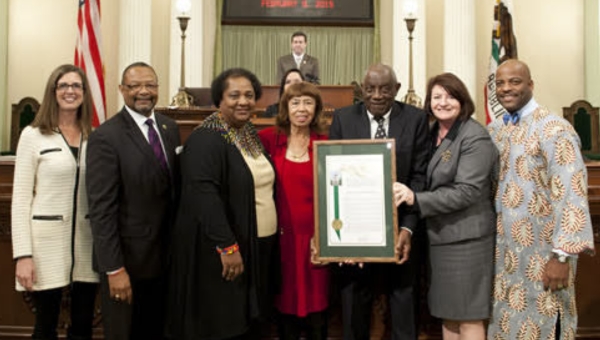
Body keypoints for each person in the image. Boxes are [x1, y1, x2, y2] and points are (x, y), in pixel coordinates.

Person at [165, 68, 279, 340]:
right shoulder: (207, 137)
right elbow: (204, 195)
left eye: (249, 95)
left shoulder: (247, 133)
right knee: (223, 323)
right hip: (223, 250)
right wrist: (227, 246)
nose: (243, 101)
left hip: (257, 242)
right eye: (234, 95)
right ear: (219, 99)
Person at [487, 59, 595, 339]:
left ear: (531, 85)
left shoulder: (554, 130)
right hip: (507, 258)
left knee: (546, 325)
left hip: (544, 257)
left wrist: (562, 257)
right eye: (500, 83)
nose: (506, 88)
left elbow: (572, 195)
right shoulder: (497, 130)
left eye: (515, 81)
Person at [393, 73, 497, 340]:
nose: (443, 102)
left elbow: (467, 192)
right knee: (448, 314)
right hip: (439, 239)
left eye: (450, 96)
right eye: (437, 97)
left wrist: (416, 199)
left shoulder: (475, 136)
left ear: (462, 99)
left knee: (469, 315)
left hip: (467, 241)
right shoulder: (432, 133)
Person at [329, 63, 429, 340]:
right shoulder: (343, 118)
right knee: (353, 305)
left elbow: (419, 178)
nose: (376, 95)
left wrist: (407, 229)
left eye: (384, 89)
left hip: (400, 230)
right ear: (361, 90)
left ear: (396, 90)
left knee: (403, 305)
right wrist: (342, 237)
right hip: (355, 232)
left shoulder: (416, 119)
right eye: (369, 89)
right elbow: (332, 175)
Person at [86, 62, 181, 340]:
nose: (143, 91)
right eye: (135, 86)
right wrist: (114, 269)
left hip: (164, 260)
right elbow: (101, 210)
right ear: (121, 89)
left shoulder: (169, 127)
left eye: (150, 85)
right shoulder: (106, 136)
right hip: (126, 264)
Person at [12, 64, 98, 340]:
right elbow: (21, 199)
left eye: (76, 86)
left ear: (84, 93)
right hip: (45, 245)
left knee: (83, 324)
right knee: (45, 324)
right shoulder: (33, 135)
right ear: (53, 91)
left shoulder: (95, 136)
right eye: (63, 86)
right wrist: (23, 255)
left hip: (86, 244)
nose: (70, 91)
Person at [258, 82, 329, 340]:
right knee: (284, 302)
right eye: (295, 102)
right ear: (285, 108)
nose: (302, 108)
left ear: (316, 108)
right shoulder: (268, 138)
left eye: (308, 102)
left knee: (317, 307)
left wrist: (325, 238)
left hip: (315, 239)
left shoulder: (326, 142)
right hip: (280, 238)